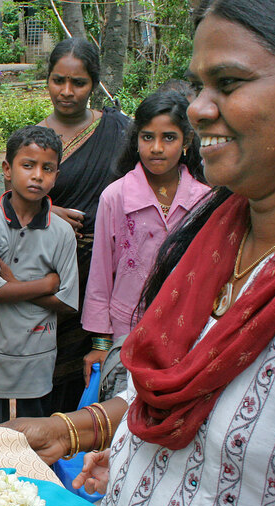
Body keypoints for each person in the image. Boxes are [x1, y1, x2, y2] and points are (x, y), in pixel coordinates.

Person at [5, 0, 275, 506]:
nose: (199, 108)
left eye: (228, 83)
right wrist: (76, 429)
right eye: (200, 85)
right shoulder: (223, 227)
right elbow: (174, 394)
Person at [80, 90, 210, 388]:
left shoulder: (204, 201)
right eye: (147, 137)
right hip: (126, 331)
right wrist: (101, 342)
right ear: (136, 140)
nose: (157, 148)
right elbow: (100, 273)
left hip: (186, 329)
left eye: (169, 137)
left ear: (187, 141)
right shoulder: (116, 197)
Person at [34, 38, 131, 410]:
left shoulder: (120, 131)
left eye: (78, 83)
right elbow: (10, 206)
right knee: (48, 374)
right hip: (49, 278)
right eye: (59, 81)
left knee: (96, 372)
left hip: (105, 271)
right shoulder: (34, 141)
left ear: (94, 84)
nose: (67, 92)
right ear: (48, 81)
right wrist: (45, 210)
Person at [0, 125, 79, 426]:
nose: (37, 175)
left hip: (38, 354)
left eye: (47, 169)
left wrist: (12, 285)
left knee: (33, 434)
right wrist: (45, 284)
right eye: (28, 165)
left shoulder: (61, 232)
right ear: (7, 169)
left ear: (56, 176)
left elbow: (68, 301)